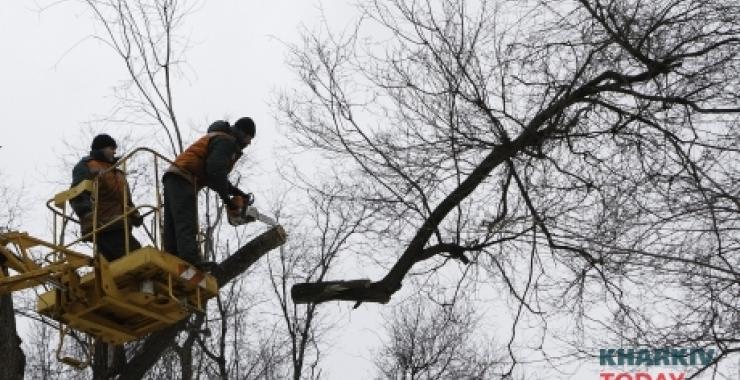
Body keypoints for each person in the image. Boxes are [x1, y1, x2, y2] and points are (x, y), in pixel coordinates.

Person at [162, 117, 255, 267]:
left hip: (175, 176)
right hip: (184, 178)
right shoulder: (227, 142)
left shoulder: (220, 138)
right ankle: (191, 262)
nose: (249, 142)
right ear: (241, 132)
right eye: (248, 137)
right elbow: (215, 171)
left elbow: (214, 175)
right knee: (186, 221)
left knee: (173, 223)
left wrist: (236, 192)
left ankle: (173, 261)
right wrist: (228, 201)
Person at [70, 134, 143, 261]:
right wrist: (87, 215)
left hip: (121, 225)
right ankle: (146, 281)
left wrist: (134, 213)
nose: (115, 151)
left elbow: (125, 199)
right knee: (138, 257)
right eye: (111, 148)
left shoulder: (117, 172)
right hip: (104, 225)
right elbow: (77, 193)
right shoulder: (87, 166)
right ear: (101, 148)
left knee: (113, 269)